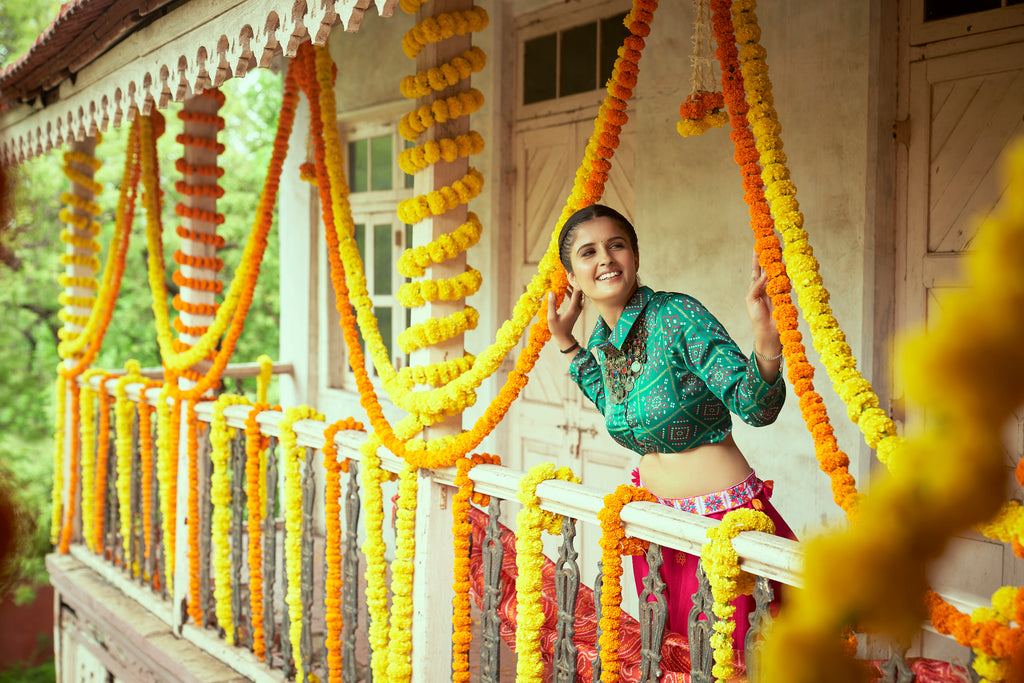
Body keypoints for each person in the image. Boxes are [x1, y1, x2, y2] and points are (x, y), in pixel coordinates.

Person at [546, 203, 796, 651]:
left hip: (720, 527)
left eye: (616, 245)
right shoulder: (605, 342)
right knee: (671, 657)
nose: (605, 258)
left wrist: (765, 339)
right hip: (659, 528)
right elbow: (613, 407)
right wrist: (566, 341)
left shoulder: (676, 316)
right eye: (589, 252)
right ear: (572, 277)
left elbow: (756, 407)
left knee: (728, 661)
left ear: (635, 258)